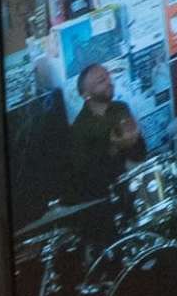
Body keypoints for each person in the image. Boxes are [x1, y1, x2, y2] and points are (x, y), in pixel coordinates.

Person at [63, 58, 151, 197]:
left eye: (108, 76)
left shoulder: (121, 108)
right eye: (101, 81)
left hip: (142, 182)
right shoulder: (79, 129)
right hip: (113, 196)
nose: (109, 82)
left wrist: (134, 141)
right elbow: (86, 179)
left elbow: (141, 152)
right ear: (86, 95)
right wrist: (115, 148)